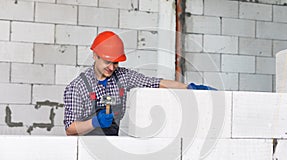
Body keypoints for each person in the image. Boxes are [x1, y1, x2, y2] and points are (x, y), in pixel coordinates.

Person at [64, 31, 216, 136]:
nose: (111, 68)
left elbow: (155, 83)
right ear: (95, 56)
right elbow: (70, 128)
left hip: (112, 143)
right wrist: (95, 122)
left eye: (115, 63)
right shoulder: (77, 87)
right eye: (107, 62)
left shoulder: (123, 77)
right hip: (83, 149)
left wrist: (188, 88)